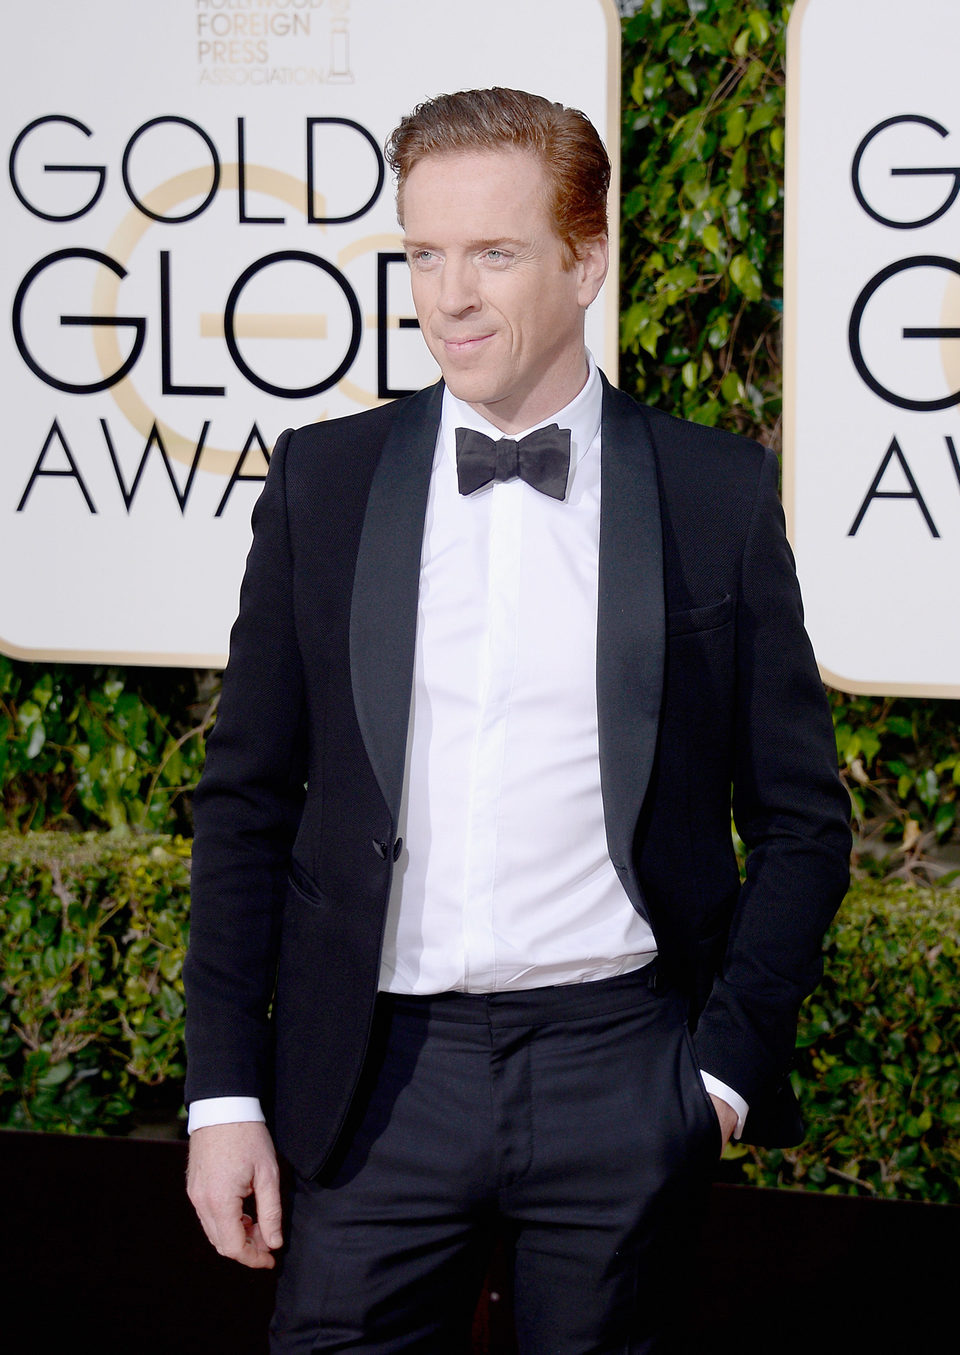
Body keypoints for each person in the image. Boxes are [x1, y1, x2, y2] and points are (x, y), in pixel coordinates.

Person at [184, 87, 851, 1352]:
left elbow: (805, 822)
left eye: (493, 252)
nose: (449, 296)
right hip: (371, 1074)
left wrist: (715, 1082)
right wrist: (223, 1091)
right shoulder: (325, 482)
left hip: (619, 1067)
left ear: (586, 259)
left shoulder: (712, 493)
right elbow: (245, 803)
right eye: (423, 253)